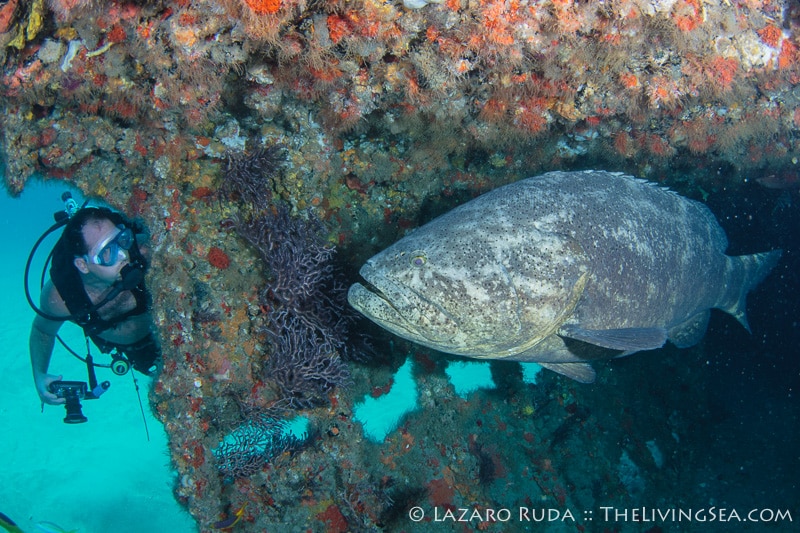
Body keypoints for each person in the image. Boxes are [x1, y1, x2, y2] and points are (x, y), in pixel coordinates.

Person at [30, 206, 161, 405]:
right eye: (107, 251)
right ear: (83, 265)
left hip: (165, 334)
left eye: (122, 240)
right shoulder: (61, 297)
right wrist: (39, 375)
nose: (124, 255)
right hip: (129, 351)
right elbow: (42, 330)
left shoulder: (144, 252)